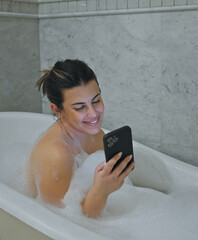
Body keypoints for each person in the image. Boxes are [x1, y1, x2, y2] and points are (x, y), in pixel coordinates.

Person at [28, 59, 135, 218]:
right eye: (80, 107)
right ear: (57, 109)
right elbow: (62, 223)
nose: (93, 114)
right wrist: (101, 191)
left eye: (96, 100)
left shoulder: (96, 135)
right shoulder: (57, 155)